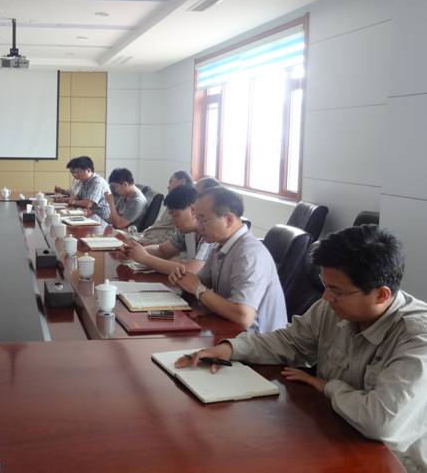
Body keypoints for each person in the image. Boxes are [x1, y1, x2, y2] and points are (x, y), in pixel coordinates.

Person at [179, 225, 427, 473]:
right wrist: (230, 349)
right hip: (334, 436)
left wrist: (327, 386)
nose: (326, 297)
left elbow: (381, 421)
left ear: (381, 295)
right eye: (325, 285)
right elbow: (289, 341)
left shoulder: (417, 337)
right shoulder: (332, 307)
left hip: (392, 462)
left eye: (337, 290)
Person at [171, 187, 287, 333]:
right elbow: (200, 281)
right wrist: (182, 278)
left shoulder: (249, 254)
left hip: (258, 340)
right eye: (197, 219)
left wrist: (198, 289)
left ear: (228, 220)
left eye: (203, 220)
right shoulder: (220, 246)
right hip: (231, 331)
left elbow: (243, 316)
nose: (199, 227)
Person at [120, 185, 214, 276]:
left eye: (176, 215)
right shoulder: (186, 232)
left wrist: (145, 258)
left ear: (193, 210)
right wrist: (134, 251)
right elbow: (162, 250)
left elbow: (190, 271)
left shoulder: (208, 234)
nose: (173, 220)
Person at [139, 171, 195, 245]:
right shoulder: (173, 203)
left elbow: (169, 240)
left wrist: (148, 243)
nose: (168, 187)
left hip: (151, 242)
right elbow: (162, 249)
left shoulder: (183, 208)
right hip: (146, 237)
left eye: (170, 182)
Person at [54, 156, 110, 222]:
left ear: (88, 170)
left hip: (101, 219)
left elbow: (88, 203)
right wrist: (64, 200)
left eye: (78, 172)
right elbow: (78, 197)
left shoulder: (97, 182)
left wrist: (74, 202)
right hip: (89, 215)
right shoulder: (84, 181)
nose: (76, 175)